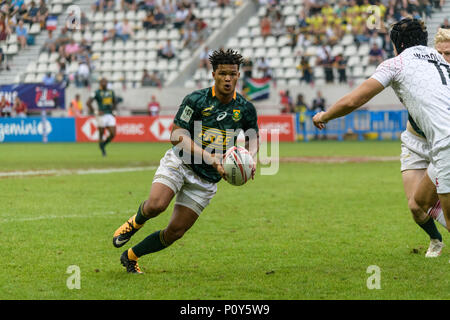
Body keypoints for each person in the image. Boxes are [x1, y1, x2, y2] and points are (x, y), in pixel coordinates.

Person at [112, 49, 259, 274]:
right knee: (156, 206)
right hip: (180, 164)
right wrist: (210, 157)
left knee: (175, 232)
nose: (227, 78)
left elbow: (252, 138)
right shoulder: (197, 99)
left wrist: (251, 160)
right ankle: (135, 223)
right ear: (213, 74)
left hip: (207, 180)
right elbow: (176, 135)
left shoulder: (246, 109)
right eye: (222, 74)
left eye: (232, 74)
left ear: (239, 75)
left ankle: (131, 256)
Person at [312, 19, 450, 253]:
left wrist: (324, 116)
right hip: (434, 141)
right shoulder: (439, 59)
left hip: (444, 143)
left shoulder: (395, 64)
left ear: (398, 45)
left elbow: (355, 99)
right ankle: (436, 241)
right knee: (418, 203)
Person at [87, 78, 117, 157]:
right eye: (102, 82)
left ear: (107, 83)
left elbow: (115, 102)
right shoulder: (96, 92)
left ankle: (103, 144)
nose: (104, 83)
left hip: (109, 114)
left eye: (105, 82)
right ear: (100, 83)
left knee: (113, 134)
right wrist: (95, 111)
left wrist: (114, 110)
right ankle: (103, 151)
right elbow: (88, 103)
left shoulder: (111, 92)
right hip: (101, 115)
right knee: (101, 133)